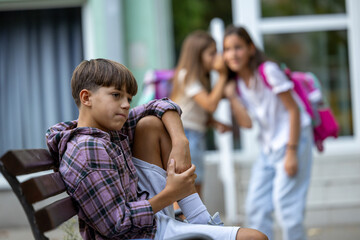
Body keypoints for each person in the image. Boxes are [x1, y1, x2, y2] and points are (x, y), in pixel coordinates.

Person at [46, 58, 268, 240]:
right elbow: (117, 225)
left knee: (151, 124)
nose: (125, 104)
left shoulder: (107, 131)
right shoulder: (87, 149)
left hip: (151, 224)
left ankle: (201, 219)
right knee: (255, 238)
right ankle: (202, 221)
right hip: (139, 235)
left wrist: (181, 141)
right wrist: (171, 193)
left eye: (128, 98)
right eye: (116, 95)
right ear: (87, 98)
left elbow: (160, 105)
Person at [222, 25, 313, 240]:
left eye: (238, 48)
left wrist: (291, 152)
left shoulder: (268, 71)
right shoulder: (238, 83)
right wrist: (233, 98)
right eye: (227, 49)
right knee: (256, 205)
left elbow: (294, 110)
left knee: (287, 207)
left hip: (293, 140)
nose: (232, 54)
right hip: (268, 146)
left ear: (251, 48)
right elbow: (247, 124)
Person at [170, 30, 231, 196]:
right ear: (197, 55)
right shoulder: (187, 76)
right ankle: (185, 220)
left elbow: (196, 110)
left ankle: (193, 220)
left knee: (195, 184)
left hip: (194, 133)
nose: (217, 57)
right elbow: (210, 104)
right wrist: (223, 75)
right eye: (212, 53)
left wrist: (214, 122)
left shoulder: (197, 77)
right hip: (186, 135)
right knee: (189, 186)